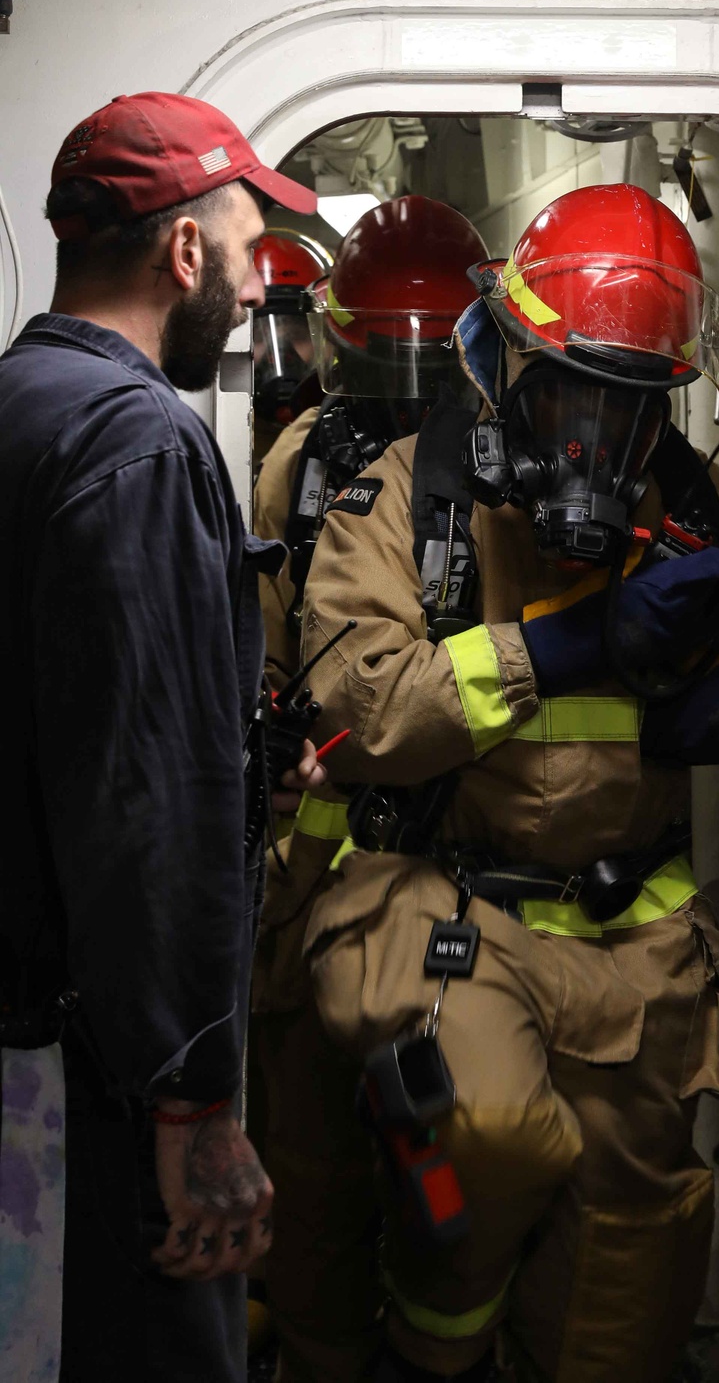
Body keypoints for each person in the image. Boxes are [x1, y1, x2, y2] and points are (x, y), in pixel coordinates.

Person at [298, 184, 719, 1383]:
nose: (596, 439)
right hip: (454, 909)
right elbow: (367, 711)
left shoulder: (692, 507)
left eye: (630, 408)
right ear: (504, 364)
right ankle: (427, 1357)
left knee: (629, 1264)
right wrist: (564, 646)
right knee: (478, 1144)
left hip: (635, 942)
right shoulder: (405, 501)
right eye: (571, 392)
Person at [0, 90, 323, 1383]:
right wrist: (194, 1105)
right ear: (182, 254)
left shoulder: (21, 405)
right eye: (248, 257)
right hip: (105, 1079)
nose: (255, 296)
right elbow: (146, 803)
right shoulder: (142, 442)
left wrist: (248, 753)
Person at [251, 195, 489, 1382]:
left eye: (431, 359)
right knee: (309, 1175)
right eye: (387, 356)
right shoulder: (299, 469)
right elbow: (261, 654)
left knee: (446, 1164)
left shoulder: (507, 472)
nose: (409, 387)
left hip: (455, 879)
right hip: (313, 872)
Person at [250, 230, 329, 463]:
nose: (279, 356)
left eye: (297, 335)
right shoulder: (219, 436)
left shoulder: (340, 441)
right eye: (258, 336)